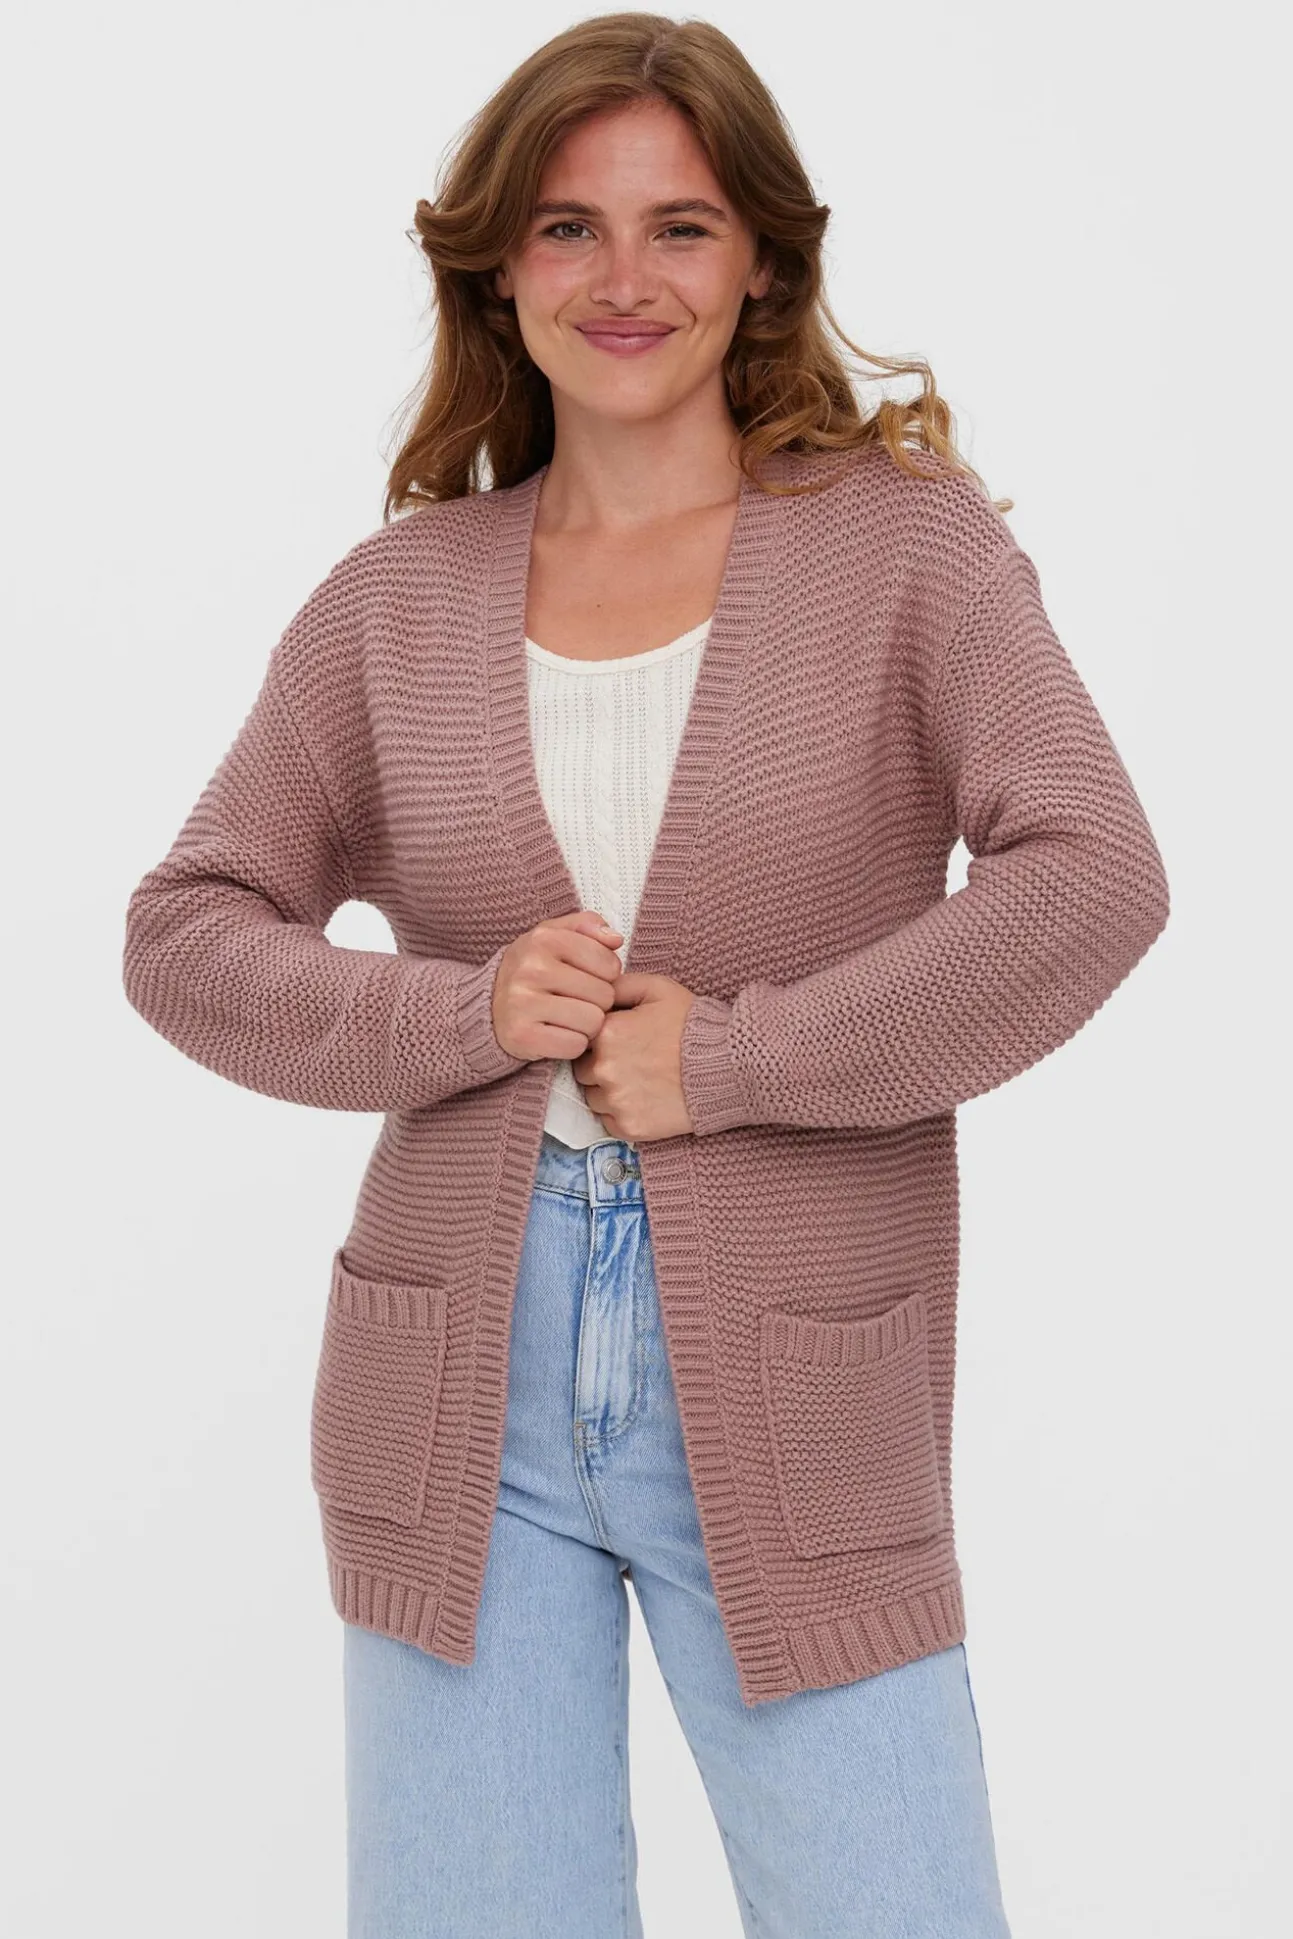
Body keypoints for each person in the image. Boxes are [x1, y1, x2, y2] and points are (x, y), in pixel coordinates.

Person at [122, 14, 1170, 1936]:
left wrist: (744, 1058)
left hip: (797, 1366)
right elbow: (187, 928)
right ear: (498, 269)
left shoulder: (905, 554)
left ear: (762, 257)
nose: (624, 280)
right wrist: (457, 1012)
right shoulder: (396, 600)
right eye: (568, 228)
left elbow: (1093, 875)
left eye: (680, 226)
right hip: (463, 1379)